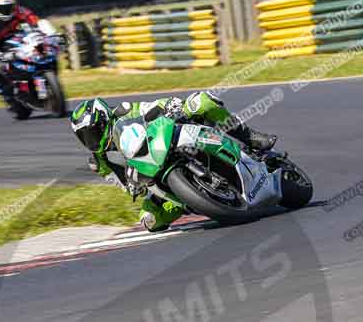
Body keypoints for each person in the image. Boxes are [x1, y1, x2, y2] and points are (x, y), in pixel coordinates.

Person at [69, 92, 277, 232]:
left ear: (104, 118)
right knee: (149, 220)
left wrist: (171, 105)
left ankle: (249, 137)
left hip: (166, 140)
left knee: (201, 101)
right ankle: (190, 202)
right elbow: (122, 185)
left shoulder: (124, 111)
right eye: (85, 137)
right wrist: (133, 188)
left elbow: (153, 106)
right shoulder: (101, 162)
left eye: (93, 132)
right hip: (152, 177)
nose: (92, 140)